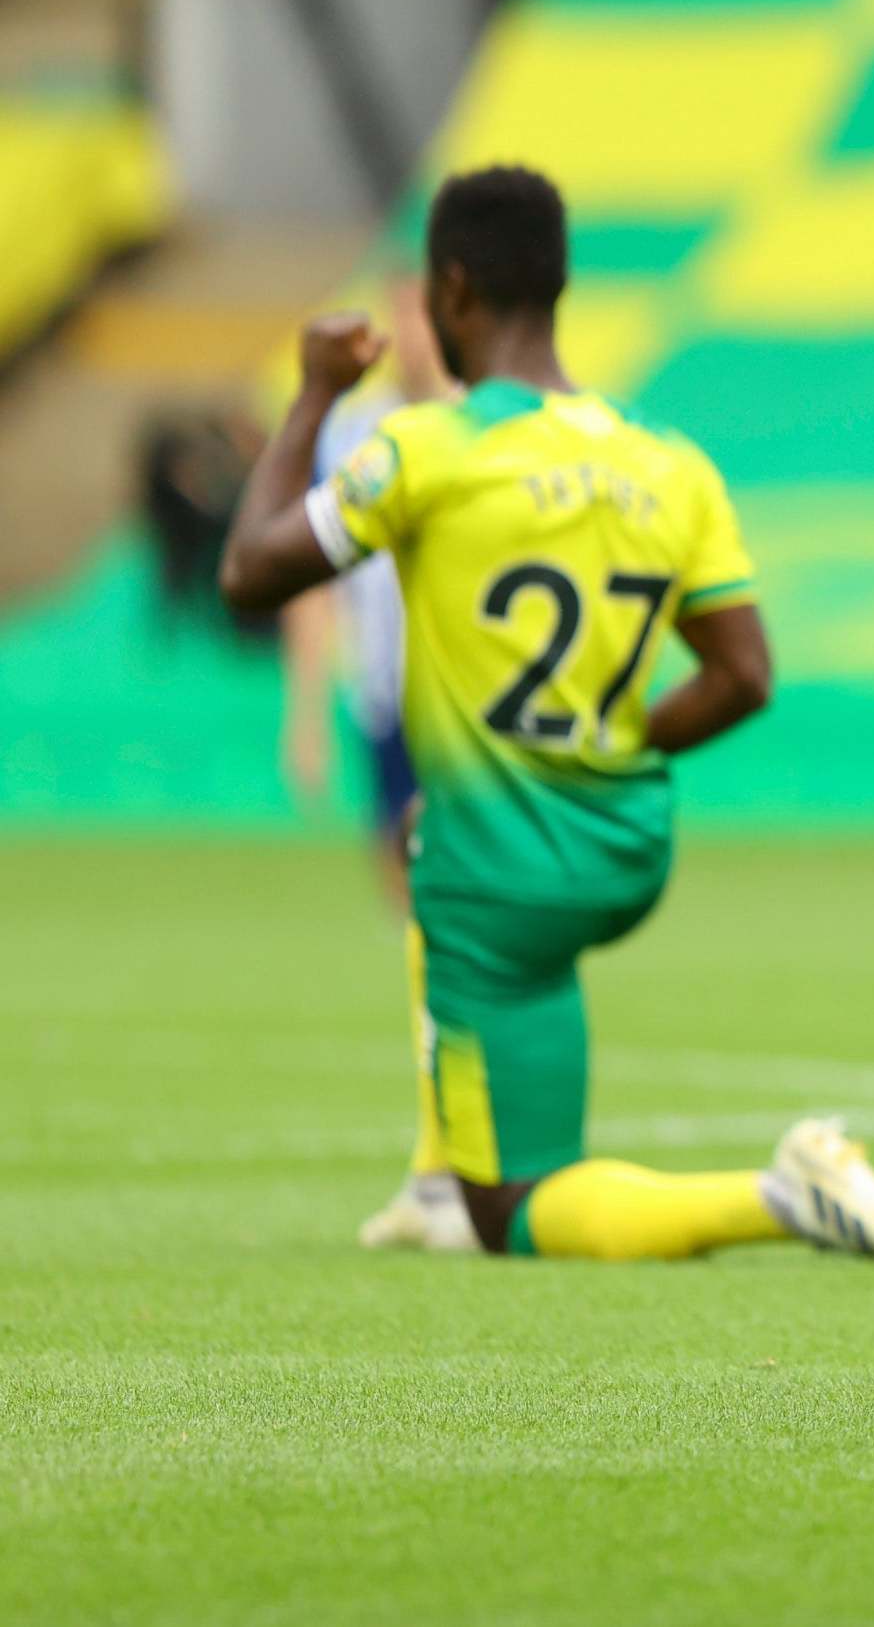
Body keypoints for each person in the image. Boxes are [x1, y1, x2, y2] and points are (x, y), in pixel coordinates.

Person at [220, 165, 874, 1267]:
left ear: (453, 291)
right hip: (622, 843)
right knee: (447, 863)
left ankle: (781, 1196)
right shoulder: (666, 464)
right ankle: (432, 1177)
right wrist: (622, 743)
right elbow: (743, 674)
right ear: (557, 287)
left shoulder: (427, 449)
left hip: (499, 865)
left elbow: (248, 572)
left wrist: (315, 394)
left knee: (513, 1206)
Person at [274, 274, 476, 1252]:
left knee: (449, 902)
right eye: (394, 310)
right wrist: (306, 710)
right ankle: (441, 1142)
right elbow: (310, 576)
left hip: (465, 700)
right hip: (382, 695)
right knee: (409, 903)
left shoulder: (485, 423)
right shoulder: (352, 431)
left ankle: (450, 1153)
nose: (405, 328)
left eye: (420, 308)